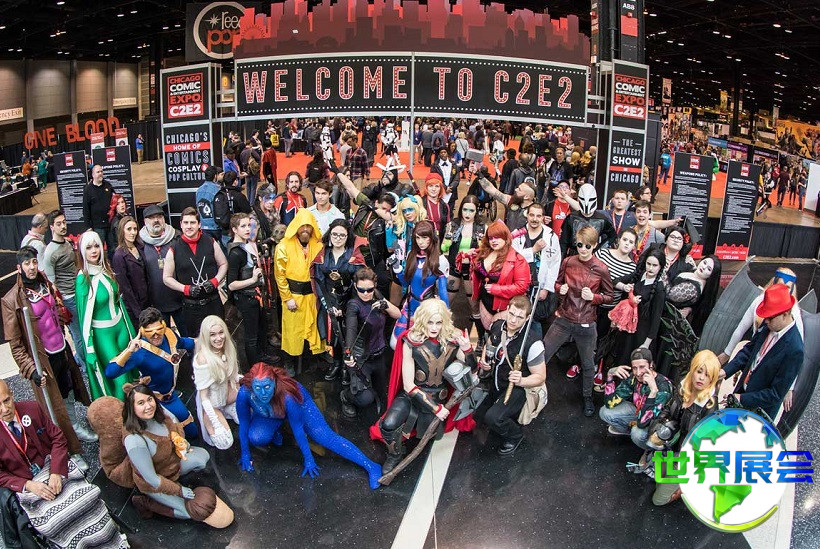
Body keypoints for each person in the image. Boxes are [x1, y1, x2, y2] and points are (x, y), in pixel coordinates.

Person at [0, 380, 126, 549]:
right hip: (27, 483)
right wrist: (27, 485)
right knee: (55, 521)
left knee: (87, 498)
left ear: (12, 395)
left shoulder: (32, 409)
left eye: (6, 400)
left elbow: (57, 438)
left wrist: (56, 471)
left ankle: (110, 542)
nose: (5, 409)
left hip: (51, 467)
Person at [2, 247, 97, 455]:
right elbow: (16, 345)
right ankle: (67, 447)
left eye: (34, 262)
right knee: (53, 404)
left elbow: (56, 313)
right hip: (42, 359)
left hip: (61, 349)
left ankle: (75, 427)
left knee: (68, 390)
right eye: (27, 263)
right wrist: (31, 369)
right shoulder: (12, 300)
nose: (31, 267)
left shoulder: (45, 283)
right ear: (19, 267)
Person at [236, 362, 383, 489]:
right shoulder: (244, 393)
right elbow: (244, 423)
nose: (263, 393)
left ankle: (370, 466)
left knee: (325, 437)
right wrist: (245, 454)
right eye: (258, 388)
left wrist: (308, 458)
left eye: (267, 386)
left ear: (274, 381)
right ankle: (276, 429)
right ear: (251, 385)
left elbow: (298, 429)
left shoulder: (288, 397)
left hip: (300, 405)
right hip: (272, 413)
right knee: (256, 437)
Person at [376, 298, 475, 473]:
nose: (434, 327)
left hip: (439, 396)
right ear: (422, 320)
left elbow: (472, 369)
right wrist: (436, 409)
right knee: (388, 425)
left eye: (438, 322)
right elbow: (408, 385)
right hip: (413, 396)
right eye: (430, 322)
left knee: (432, 436)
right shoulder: (411, 340)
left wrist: (467, 349)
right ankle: (395, 455)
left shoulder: (453, 338)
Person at [120, 383, 233, 526]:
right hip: (154, 482)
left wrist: (182, 443)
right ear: (132, 407)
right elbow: (151, 479)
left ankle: (175, 480)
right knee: (187, 512)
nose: (148, 406)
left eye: (149, 399)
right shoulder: (135, 441)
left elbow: (176, 428)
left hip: (170, 464)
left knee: (202, 457)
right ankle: (145, 502)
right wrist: (179, 491)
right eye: (141, 403)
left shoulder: (159, 414)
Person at [543, 226, 614, 416]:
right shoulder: (568, 261)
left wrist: (594, 297)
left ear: (595, 245)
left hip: (586, 321)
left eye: (587, 246)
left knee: (588, 363)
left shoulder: (601, 268)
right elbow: (557, 283)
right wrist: (559, 289)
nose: (583, 249)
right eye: (580, 244)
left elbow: (610, 296)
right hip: (565, 317)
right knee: (543, 354)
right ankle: (531, 391)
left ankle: (587, 396)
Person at [105, 307, 197, 439]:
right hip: (152, 400)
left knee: (191, 430)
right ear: (142, 331)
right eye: (149, 332)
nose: (155, 335)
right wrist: (129, 351)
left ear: (163, 326)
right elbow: (110, 372)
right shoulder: (139, 352)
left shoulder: (169, 335)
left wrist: (204, 340)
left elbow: (183, 342)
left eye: (159, 330)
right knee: (167, 438)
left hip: (170, 395)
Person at [720, 283, 805, 420]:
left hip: (758, 413)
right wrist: (726, 371)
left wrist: (742, 399)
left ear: (785, 315)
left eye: (770, 318)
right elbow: (749, 351)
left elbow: (775, 394)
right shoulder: (769, 325)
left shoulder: (795, 349)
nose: (766, 321)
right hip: (742, 392)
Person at [476, 295, 547, 455]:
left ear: (527, 318)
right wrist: (485, 360)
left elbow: (540, 377)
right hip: (496, 382)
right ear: (507, 309)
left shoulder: (533, 342)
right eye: (512, 314)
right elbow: (489, 345)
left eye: (520, 317)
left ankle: (515, 436)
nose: (513, 320)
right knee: (480, 415)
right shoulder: (497, 326)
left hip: (517, 388)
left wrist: (521, 380)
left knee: (493, 418)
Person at [651, 350, 720, 505]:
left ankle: (684, 488)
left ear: (712, 379)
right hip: (670, 447)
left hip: (687, 457)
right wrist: (658, 428)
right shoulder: (683, 388)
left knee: (658, 500)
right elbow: (667, 410)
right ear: (692, 369)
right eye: (699, 371)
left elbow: (707, 445)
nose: (701, 378)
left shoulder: (710, 405)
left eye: (707, 375)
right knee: (657, 480)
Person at [76, 231, 137, 401]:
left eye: (96, 246)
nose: (94, 251)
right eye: (89, 247)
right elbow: (84, 319)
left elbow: (119, 303)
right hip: (103, 335)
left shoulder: (107, 270)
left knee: (130, 373)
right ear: (82, 251)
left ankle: (134, 412)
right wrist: (89, 348)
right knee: (120, 380)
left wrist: (130, 332)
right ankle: (118, 416)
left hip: (121, 329)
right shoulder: (83, 279)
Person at [340, 268, 401, 418]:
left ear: (375, 286)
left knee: (386, 393)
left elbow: (398, 314)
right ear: (355, 286)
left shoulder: (376, 295)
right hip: (361, 358)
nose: (366, 293)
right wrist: (348, 352)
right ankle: (345, 396)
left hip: (380, 355)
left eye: (370, 289)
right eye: (361, 290)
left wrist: (385, 305)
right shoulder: (354, 305)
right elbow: (351, 329)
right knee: (365, 398)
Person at [718, 268, 804, 366]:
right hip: (754, 355)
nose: (782, 290)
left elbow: (798, 343)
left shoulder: (794, 311)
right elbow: (741, 329)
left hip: (772, 362)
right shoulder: (759, 301)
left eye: (787, 287)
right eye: (780, 285)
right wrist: (727, 353)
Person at [163, 207, 228, 337]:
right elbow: (166, 278)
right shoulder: (174, 248)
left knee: (219, 338)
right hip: (191, 308)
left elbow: (223, 264)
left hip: (213, 303)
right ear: (181, 224)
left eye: (192, 222)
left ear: (199, 224)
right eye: (186, 223)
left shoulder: (210, 242)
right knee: (196, 342)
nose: (189, 226)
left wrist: (215, 281)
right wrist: (185, 288)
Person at [274, 208, 325, 373]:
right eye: (302, 226)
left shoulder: (318, 246)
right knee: (292, 331)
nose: (305, 229)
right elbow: (280, 275)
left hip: (312, 296)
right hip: (293, 296)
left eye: (308, 226)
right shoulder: (283, 246)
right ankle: (289, 362)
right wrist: (287, 298)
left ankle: (312, 361)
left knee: (313, 329)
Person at [588, 229, 637, 387]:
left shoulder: (632, 268)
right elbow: (591, 271)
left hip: (610, 309)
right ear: (619, 240)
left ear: (634, 246)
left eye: (631, 242)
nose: (627, 244)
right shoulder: (603, 253)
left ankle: (597, 367)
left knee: (602, 339)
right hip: (591, 303)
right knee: (585, 336)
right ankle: (580, 363)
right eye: (625, 239)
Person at [314, 219, 361, 381]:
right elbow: (318, 280)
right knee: (333, 334)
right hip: (328, 300)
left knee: (348, 334)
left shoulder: (354, 255)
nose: (338, 238)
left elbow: (359, 282)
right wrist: (328, 305)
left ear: (348, 236)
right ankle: (336, 363)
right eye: (335, 234)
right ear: (330, 234)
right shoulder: (323, 254)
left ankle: (347, 366)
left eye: (342, 235)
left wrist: (346, 306)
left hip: (349, 301)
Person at [599, 348, 672, 451]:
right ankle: (628, 432)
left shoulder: (663, 387)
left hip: (654, 422)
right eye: (634, 368)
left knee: (637, 433)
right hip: (638, 411)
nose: (638, 373)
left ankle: (650, 450)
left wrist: (653, 391)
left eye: (642, 367)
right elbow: (609, 403)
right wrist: (610, 375)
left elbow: (643, 423)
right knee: (604, 412)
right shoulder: (634, 378)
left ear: (651, 365)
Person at [336, 171, 394, 298]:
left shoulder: (384, 219)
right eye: (383, 208)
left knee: (383, 282)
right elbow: (351, 187)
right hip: (355, 254)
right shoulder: (365, 206)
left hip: (373, 258)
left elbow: (393, 218)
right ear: (377, 202)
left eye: (388, 210)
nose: (385, 212)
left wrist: (376, 209)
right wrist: (337, 172)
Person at [391, 220, 450, 343]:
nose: (420, 242)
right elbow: (406, 283)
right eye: (417, 238)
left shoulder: (440, 261)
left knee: (422, 345)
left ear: (432, 238)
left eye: (424, 237)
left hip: (427, 309)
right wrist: (398, 269)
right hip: (410, 306)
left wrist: (446, 315)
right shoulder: (411, 255)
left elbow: (443, 291)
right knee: (395, 342)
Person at [471, 221, 531, 335]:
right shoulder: (485, 252)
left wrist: (496, 289)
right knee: (487, 333)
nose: (493, 241)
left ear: (505, 238)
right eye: (491, 238)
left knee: (498, 335)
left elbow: (521, 287)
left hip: (504, 306)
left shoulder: (518, 259)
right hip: (484, 301)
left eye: (497, 237)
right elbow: (479, 273)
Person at [43, 210, 86, 369]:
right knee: (79, 335)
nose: (63, 226)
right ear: (51, 227)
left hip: (78, 292)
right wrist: (60, 305)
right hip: (67, 298)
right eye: (59, 224)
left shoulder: (67, 243)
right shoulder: (50, 252)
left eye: (64, 222)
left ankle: (80, 360)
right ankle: (85, 367)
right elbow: (51, 282)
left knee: (83, 331)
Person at [610, 248, 667, 366]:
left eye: (654, 265)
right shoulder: (640, 274)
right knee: (620, 358)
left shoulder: (659, 289)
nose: (650, 268)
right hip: (627, 327)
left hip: (642, 332)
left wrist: (646, 344)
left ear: (660, 267)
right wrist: (624, 287)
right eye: (648, 264)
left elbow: (656, 319)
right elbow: (615, 280)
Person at [510, 202, 561, 333]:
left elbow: (554, 264)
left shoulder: (551, 236)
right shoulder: (517, 234)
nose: (534, 219)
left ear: (543, 217)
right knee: (518, 318)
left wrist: (546, 288)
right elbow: (512, 258)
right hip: (520, 285)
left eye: (538, 216)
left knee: (538, 322)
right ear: (527, 215)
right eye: (532, 215)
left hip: (540, 286)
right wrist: (533, 250)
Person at [442, 195, 486, 341]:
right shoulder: (453, 225)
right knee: (446, 301)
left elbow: (486, 251)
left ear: (476, 211)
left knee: (474, 305)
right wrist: (447, 241)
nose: (467, 214)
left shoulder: (481, 227)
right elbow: (443, 248)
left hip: (472, 269)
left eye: (471, 211)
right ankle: (441, 332)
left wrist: (478, 249)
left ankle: (480, 338)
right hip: (454, 266)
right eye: (465, 209)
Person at [226, 213, 268, 366]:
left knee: (259, 331)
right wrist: (252, 280)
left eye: (249, 225)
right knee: (251, 337)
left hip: (255, 296)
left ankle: (261, 359)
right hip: (246, 298)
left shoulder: (247, 246)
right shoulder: (235, 253)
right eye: (243, 226)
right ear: (234, 229)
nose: (247, 229)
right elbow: (231, 285)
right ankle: (254, 367)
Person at [193, 316, 241, 449]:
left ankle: (229, 409)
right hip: (212, 403)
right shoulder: (202, 359)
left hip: (228, 394)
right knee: (225, 442)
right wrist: (216, 423)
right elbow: (203, 397)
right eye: (212, 335)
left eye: (221, 333)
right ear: (206, 336)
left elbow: (233, 376)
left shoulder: (228, 348)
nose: (218, 338)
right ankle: (220, 414)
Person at [139, 204, 186, 335]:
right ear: (145, 221)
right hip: (156, 303)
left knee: (188, 336)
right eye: (151, 217)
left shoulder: (177, 237)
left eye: (159, 216)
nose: (156, 220)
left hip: (180, 299)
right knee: (165, 339)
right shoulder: (139, 243)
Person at [111, 215, 149, 328]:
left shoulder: (140, 248)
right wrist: (138, 312)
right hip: (134, 306)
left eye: (135, 229)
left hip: (146, 301)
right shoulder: (119, 255)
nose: (133, 232)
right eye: (129, 229)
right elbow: (125, 287)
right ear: (122, 231)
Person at [558, 184, 617, 256]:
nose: (586, 203)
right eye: (583, 199)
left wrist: (599, 249)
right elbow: (564, 242)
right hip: (574, 254)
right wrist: (562, 258)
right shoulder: (571, 217)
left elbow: (612, 236)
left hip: (592, 255)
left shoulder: (602, 219)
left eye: (590, 200)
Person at [475, 166, 537, 231]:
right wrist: (479, 175)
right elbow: (492, 190)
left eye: (519, 189)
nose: (516, 189)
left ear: (526, 197)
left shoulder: (536, 212)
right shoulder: (511, 201)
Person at [213, 170, 253, 249]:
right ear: (235, 181)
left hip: (224, 233)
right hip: (237, 234)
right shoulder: (239, 196)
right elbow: (248, 211)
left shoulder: (220, 194)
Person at [83, 164, 116, 252]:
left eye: (101, 171)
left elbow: (115, 200)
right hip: (97, 227)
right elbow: (86, 209)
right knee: (98, 249)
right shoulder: (88, 189)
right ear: (93, 175)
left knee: (113, 249)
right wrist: (88, 227)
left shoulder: (108, 185)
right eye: (98, 172)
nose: (100, 173)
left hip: (110, 224)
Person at [418, 173, 451, 241]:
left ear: (440, 188)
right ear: (426, 187)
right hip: (422, 240)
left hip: (439, 240)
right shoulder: (420, 203)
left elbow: (448, 226)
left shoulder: (445, 206)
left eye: (437, 186)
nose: (434, 189)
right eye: (431, 186)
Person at [197, 165, 224, 242]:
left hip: (204, 225)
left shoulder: (198, 190)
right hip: (216, 226)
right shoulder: (218, 189)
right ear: (215, 176)